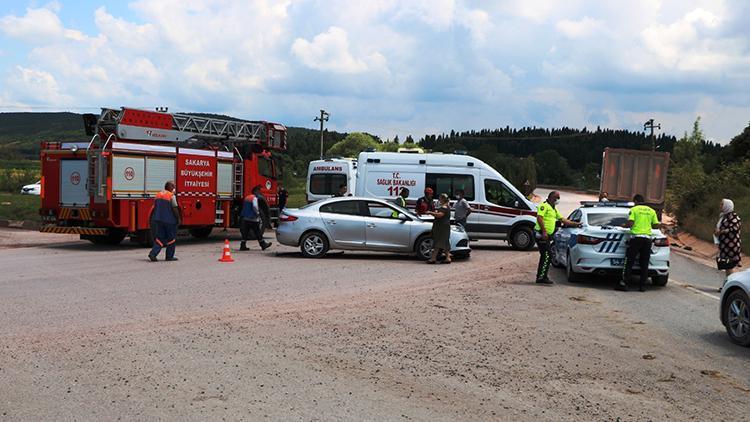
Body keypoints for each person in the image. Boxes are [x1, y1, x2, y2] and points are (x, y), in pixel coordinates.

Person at [534, 191, 582, 284]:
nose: (558, 200)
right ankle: (541, 277)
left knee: (546, 255)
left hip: (547, 236)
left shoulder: (553, 209)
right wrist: (544, 231)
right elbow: (539, 217)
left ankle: (541, 276)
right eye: (557, 198)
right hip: (541, 234)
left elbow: (563, 220)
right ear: (552, 197)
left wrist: (576, 224)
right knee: (547, 255)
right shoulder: (544, 206)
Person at [617, 194, 661, 292]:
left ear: (635, 201)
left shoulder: (634, 209)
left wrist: (624, 225)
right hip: (647, 240)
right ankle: (642, 286)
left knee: (629, 261)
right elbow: (655, 225)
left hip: (636, 239)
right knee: (644, 263)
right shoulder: (651, 211)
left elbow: (630, 223)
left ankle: (624, 284)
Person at [148, 181, 181, 262]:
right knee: (171, 239)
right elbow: (174, 208)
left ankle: (153, 253)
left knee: (160, 238)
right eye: (173, 186)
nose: (174, 188)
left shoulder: (158, 195)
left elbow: (155, 207)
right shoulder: (171, 196)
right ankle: (169, 256)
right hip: (169, 221)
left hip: (159, 220)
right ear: (169, 187)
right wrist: (178, 218)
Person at [715, 198, 742, 290]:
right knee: (726, 266)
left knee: (729, 266)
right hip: (724, 246)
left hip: (731, 246)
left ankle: (733, 286)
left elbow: (734, 228)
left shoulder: (734, 216)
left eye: (722, 204)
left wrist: (721, 232)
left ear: (727, 206)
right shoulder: (723, 216)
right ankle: (727, 286)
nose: (720, 206)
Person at [240, 187, 272, 251]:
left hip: (245, 218)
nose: (259, 193)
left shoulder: (247, 197)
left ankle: (242, 245)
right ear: (255, 192)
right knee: (258, 232)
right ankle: (263, 245)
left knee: (245, 233)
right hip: (253, 218)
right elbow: (255, 206)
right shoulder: (254, 198)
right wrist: (257, 213)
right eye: (258, 192)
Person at [426, 193, 452, 264]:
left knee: (438, 242)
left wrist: (430, 212)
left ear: (443, 199)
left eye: (440, 198)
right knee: (445, 242)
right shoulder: (446, 206)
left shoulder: (444, 207)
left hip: (442, 228)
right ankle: (447, 258)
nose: (439, 200)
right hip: (444, 227)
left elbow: (440, 215)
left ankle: (433, 258)